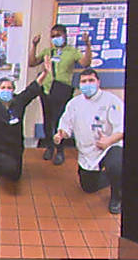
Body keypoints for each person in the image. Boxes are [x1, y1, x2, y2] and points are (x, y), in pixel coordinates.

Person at [53, 68, 124, 214]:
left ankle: (117, 197)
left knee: (115, 165)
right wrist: (61, 134)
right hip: (88, 151)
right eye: (84, 81)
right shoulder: (74, 103)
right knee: (88, 187)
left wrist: (109, 140)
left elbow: (122, 128)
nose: (88, 84)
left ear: (98, 82)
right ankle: (112, 177)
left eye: (91, 80)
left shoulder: (111, 101)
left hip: (110, 146)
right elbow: (66, 125)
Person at [0, 53, 46, 183]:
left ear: (13, 90)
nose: (6, 90)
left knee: (14, 176)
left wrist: (45, 72)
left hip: (14, 146)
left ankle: (6, 165)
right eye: (3, 88)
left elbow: (32, 90)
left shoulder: (19, 101)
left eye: (9, 88)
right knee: (6, 167)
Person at [28, 24, 92, 165]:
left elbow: (86, 63)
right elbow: (32, 63)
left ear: (65, 36)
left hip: (62, 89)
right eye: (53, 36)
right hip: (46, 89)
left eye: (58, 35)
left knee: (60, 121)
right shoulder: (48, 51)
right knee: (47, 119)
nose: (55, 38)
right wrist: (34, 45)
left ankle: (60, 150)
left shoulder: (72, 51)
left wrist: (87, 45)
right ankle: (49, 147)